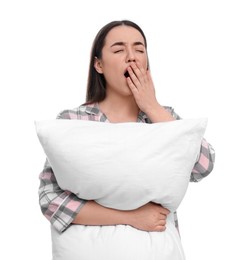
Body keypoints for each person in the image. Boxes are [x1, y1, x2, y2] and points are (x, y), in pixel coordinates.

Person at [39, 20, 215, 235]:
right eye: (119, 49)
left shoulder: (163, 118)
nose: (132, 56)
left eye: (139, 49)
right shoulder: (73, 120)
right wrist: (131, 217)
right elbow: (50, 199)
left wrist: (152, 107)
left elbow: (203, 167)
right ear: (99, 65)